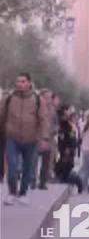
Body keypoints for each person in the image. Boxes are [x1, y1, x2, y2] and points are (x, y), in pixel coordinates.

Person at [0, 73, 51, 205]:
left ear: (29, 83)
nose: (20, 84)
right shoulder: (9, 98)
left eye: (23, 81)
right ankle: (11, 192)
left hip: (31, 139)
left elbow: (44, 119)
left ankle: (23, 193)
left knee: (28, 168)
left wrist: (45, 138)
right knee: (12, 166)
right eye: (18, 81)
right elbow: (1, 115)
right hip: (12, 138)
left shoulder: (37, 100)